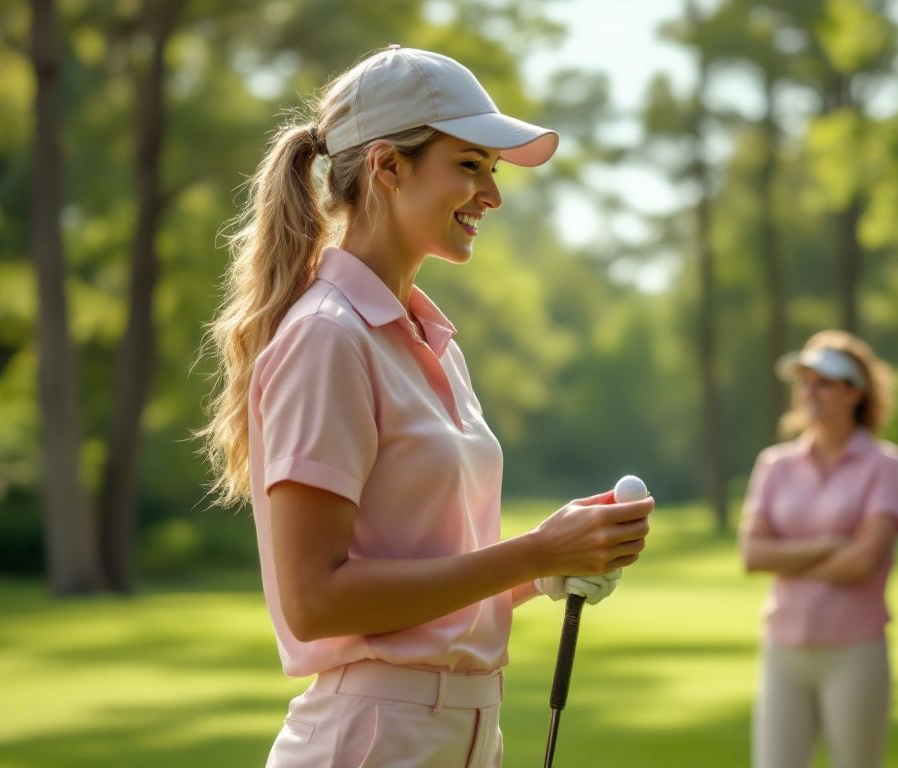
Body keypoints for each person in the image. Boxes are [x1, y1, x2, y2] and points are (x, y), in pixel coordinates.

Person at [198, 46, 653, 767]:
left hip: (465, 735)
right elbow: (316, 599)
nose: (492, 195)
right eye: (469, 166)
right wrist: (533, 551)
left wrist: (546, 569)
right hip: (374, 738)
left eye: (492, 171)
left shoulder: (431, 341)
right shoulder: (328, 337)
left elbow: (424, 599)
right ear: (387, 167)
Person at [739, 330, 898, 768]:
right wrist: (828, 545)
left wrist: (789, 556)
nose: (810, 392)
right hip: (784, 649)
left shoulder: (885, 464)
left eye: (824, 382)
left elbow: (864, 562)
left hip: (855, 650)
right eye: (805, 381)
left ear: (855, 391)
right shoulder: (775, 465)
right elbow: (752, 554)